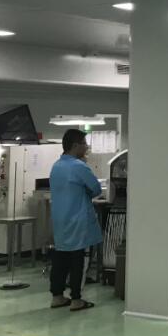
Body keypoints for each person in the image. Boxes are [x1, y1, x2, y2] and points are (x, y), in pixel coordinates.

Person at [49, 129, 103, 311]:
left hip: (60, 221)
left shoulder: (56, 166)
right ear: (75, 146)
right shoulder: (79, 166)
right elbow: (96, 189)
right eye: (84, 144)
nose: (86, 147)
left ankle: (57, 296)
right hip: (78, 221)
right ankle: (76, 299)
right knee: (79, 259)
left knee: (60, 259)